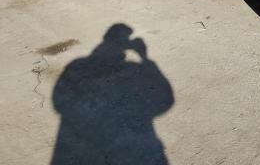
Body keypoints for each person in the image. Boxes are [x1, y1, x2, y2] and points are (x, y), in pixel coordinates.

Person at [51, 24, 174, 165]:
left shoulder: (78, 66)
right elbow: (165, 98)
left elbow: (59, 101)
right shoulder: (133, 70)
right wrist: (144, 57)